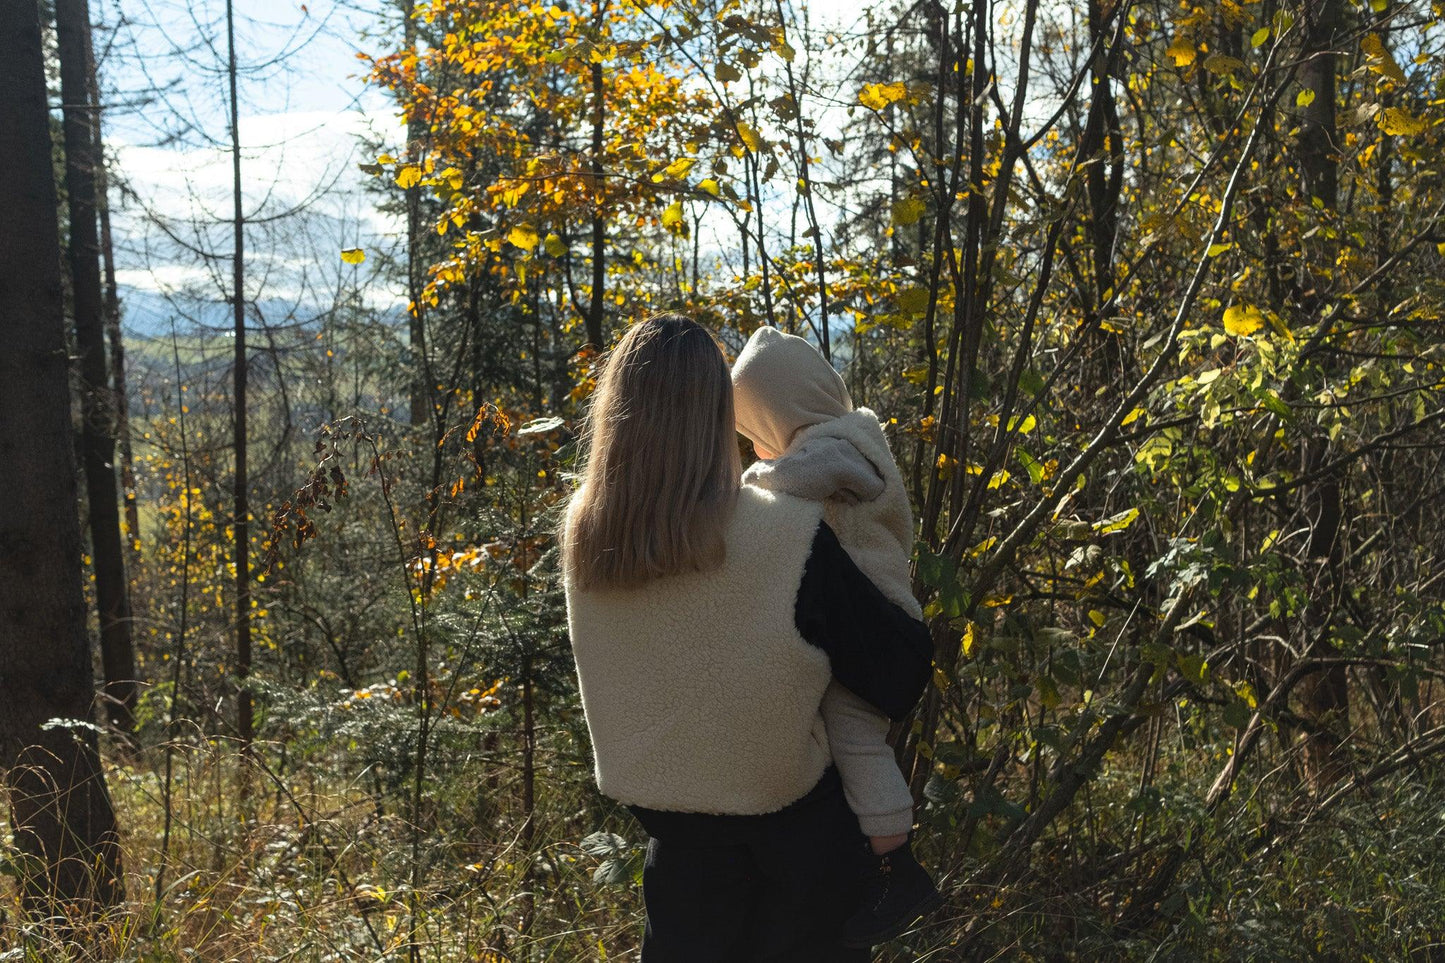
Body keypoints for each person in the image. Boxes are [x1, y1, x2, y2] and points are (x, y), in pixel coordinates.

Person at [561, 314, 934, 961]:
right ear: (717, 414)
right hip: (798, 861)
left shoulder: (588, 538)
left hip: (676, 862)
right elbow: (896, 674)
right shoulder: (779, 530)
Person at [732, 325, 942, 947]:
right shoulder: (847, 439)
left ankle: (898, 869)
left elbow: (797, 479)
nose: (755, 446)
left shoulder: (845, 443)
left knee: (855, 737)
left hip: (878, 619)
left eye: (755, 428)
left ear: (779, 412)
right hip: (861, 623)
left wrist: (746, 487)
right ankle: (876, 859)